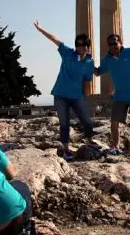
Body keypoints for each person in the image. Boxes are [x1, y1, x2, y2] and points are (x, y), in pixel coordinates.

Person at [34, 20, 95, 161]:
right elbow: (55, 39)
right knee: (64, 123)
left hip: (77, 96)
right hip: (61, 95)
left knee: (87, 121)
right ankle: (67, 150)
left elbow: (87, 81)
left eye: (83, 44)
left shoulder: (89, 62)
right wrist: (41, 29)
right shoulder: (68, 53)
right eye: (78, 44)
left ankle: (89, 140)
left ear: (87, 46)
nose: (80, 47)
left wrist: (86, 98)